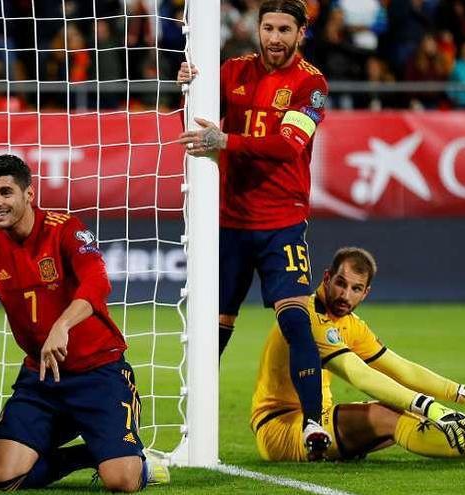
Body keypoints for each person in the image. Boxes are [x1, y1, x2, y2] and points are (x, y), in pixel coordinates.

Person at [0, 155, 168, 491]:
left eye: (5, 192)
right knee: (2, 478)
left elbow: (97, 284)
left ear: (29, 194)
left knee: (123, 480)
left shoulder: (66, 229)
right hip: (42, 377)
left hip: (98, 373)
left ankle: (136, 460)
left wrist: (62, 325)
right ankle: (92, 454)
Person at [252, 246, 465, 465]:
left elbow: (400, 369)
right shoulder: (308, 316)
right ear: (326, 278)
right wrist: (430, 406)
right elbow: (362, 377)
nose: (346, 294)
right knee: (389, 414)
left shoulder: (350, 323)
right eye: (341, 283)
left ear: (366, 292)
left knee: (421, 416)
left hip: (319, 419)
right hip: (283, 427)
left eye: (356, 288)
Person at [177, 0, 331, 460]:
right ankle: (192, 420)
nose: (275, 38)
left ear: (301, 33)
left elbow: (288, 146)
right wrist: (183, 89)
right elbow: (189, 124)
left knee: (295, 318)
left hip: (282, 220)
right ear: (257, 29)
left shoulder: (312, 84)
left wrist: (227, 141)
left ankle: (313, 425)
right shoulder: (231, 72)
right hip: (227, 222)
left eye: (285, 29)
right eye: (269, 28)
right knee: (215, 326)